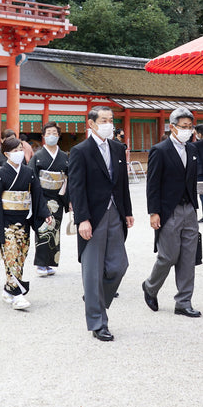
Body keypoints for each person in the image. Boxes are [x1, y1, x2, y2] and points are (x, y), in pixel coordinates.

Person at [67, 105, 135, 342]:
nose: (109, 123)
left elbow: (122, 183)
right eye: (104, 120)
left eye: (111, 119)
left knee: (119, 265)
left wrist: (127, 211)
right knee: (93, 271)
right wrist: (82, 219)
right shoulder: (80, 151)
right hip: (93, 217)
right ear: (92, 124)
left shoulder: (117, 147)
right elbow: (76, 188)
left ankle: (94, 299)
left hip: (115, 212)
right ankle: (98, 322)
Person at [142, 107, 202, 319]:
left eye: (190, 127)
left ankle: (183, 301)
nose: (187, 130)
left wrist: (195, 207)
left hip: (189, 209)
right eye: (183, 127)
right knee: (168, 255)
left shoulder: (193, 150)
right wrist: (154, 212)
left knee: (188, 257)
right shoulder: (160, 150)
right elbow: (153, 184)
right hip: (169, 210)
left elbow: (192, 181)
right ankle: (150, 286)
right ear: (172, 127)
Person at [0, 135, 51, 310]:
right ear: (6, 154)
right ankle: (18, 294)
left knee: (20, 256)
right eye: (15, 151)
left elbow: (37, 194)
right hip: (6, 222)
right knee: (11, 256)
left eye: (21, 149)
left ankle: (8, 288)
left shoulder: (28, 172)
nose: (19, 153)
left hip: (24, 221)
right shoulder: (0, 174)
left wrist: (44, 213)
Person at [32, 122, 69, 276]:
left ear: (58, 136)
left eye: (54, 133)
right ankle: (41, 264)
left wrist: (70, 200)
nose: (51, 136)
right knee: (43, 229)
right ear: (43, 136)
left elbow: (70, 178)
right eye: (48, 133)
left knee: (55, 230)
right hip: (42, 198)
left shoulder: (64, 157)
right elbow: (32, 178)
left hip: (58, 198)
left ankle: (49, 263)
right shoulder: (38, 157)